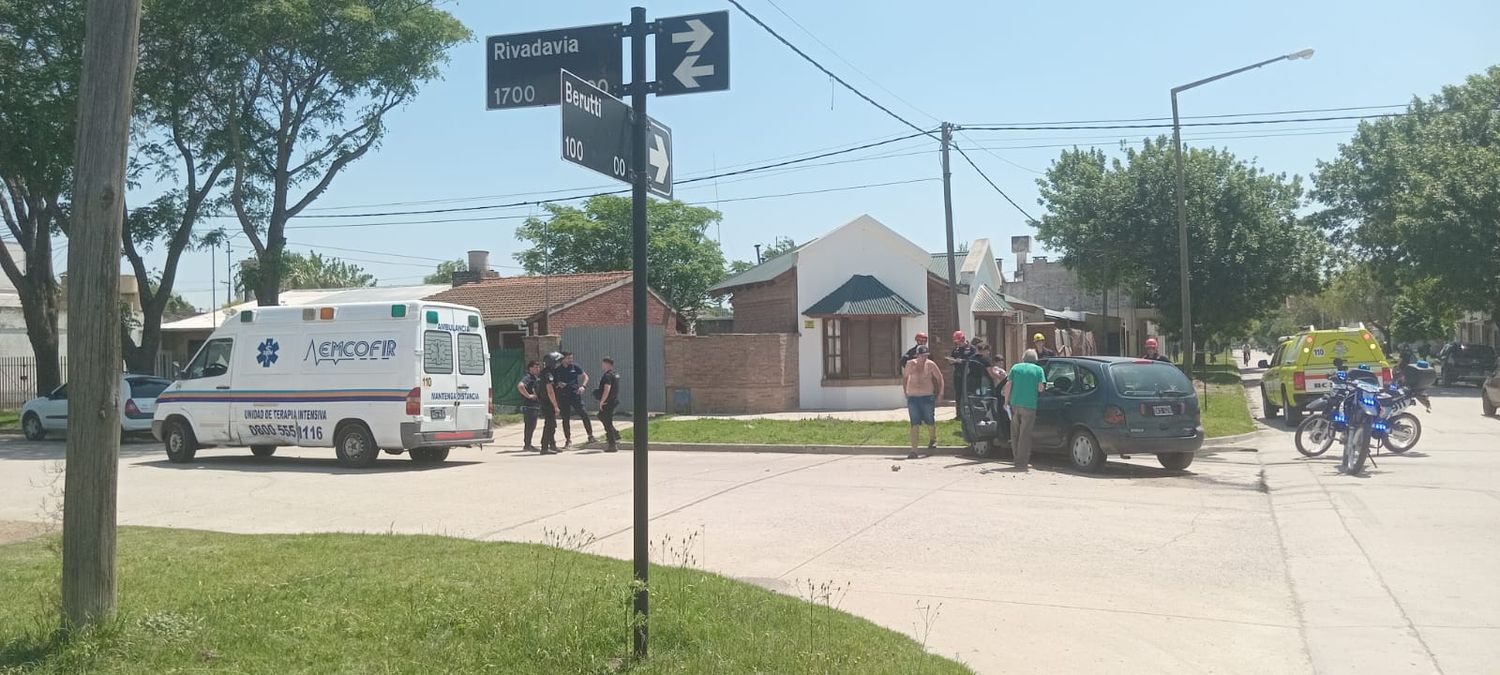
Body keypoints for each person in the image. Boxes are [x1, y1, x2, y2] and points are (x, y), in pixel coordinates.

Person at [1002, 349, 1046, 471]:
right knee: (1025, 434)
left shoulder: (1015, 368)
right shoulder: (1038, 370)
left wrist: (1006, 402)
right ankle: (1022, 462)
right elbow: (1041, 388)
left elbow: (1008, 385)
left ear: (1023, 358)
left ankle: (1016, 458)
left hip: (1015, 404)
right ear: (1035, 359)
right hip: (1030, 405)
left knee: (1015, 433)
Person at [902, 346, 944, 459]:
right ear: (917, 355)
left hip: (927, 397)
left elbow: (940, 378)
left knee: (930, 420)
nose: (924, 358)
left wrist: (940, 393)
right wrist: (905, 391)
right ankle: (914, 450)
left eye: (926, 356)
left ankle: (933, 438)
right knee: (914, 423)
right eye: (922, 356)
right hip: (913, 397)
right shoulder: (910, 364)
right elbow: (905, 378)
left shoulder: (930, 365)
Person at [555, 351, 596, 446]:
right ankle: (568, 439)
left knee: (584, 414)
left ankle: (590, 436)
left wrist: (583, 386)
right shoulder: (557, 369)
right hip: (563, 396)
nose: (570, 360)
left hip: (575, 395)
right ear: (563, 359)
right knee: (565, 418)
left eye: (571, 358)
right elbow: (553, 382)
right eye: (568, 358)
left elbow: (585, 376)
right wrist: (558, 384)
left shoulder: (575, 367)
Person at [539, 351, 564, 454]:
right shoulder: (547, 374)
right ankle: (544, 447)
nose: (559, 364)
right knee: (550, 424)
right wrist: (555, 406)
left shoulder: (552, 372)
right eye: (557, 362)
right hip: (548, 403)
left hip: (550, 402)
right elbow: (550, 391)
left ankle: (552, 444)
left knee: (552, 424)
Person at [595, 357, 621, 452]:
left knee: (607, 422)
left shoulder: (607, 376)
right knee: (601, 416)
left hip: (608, 402)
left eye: (603, 364)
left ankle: (612, 444)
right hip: (613, 401)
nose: (602, 365)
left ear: (607, 364)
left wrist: (602, 401)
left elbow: (607, 389)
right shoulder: (615, 374)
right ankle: (615, 434)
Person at [516, 361, 544, 453]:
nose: (538, 369)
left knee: (532, 426)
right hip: (529, 406)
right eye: (535, 367)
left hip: (534, 406)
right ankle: (527, 445)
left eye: (538, 367)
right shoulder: (528, 377)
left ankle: (528, 444)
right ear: (530, 368)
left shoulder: (535, 377)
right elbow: (520, 386)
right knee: (529, 426)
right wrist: (528, 396)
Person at [947, 331, 977, 404]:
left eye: (959, 341)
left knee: (969, 392)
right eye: (956, 342)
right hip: (958, 375)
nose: (958, 344)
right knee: (958, 394)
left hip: (969, 374)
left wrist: (962, 361)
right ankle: (959, 412)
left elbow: (973, 360)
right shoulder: (956, 350)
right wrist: (951, 361)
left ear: (963, 339)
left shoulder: (972, 349)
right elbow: (953, 358)